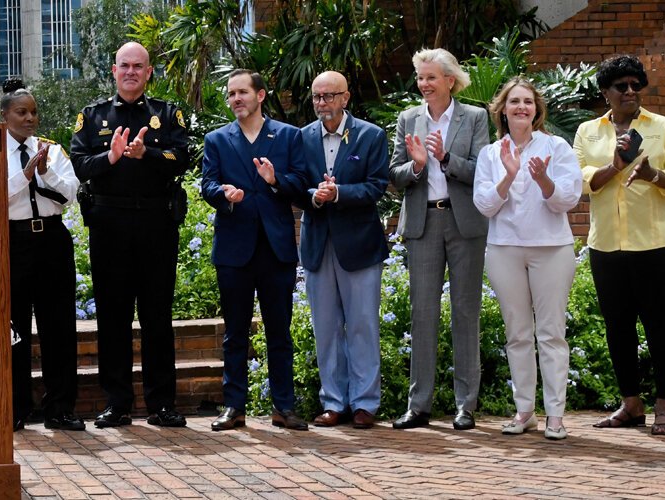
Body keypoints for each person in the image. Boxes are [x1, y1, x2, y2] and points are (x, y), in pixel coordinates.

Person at [69, 41, 191, 428]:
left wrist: (146, 155)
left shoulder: (168, 114)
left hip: (157, 226)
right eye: (125, 66)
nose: (131, 72)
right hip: (110, 226)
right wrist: (112, 156)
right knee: (113, 317)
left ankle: (162, 404)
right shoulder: (92, 116)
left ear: (149, 72)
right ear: (113, 70)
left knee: (157, 316)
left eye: (139, 66)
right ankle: (117, 404)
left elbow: (182, 158)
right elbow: (79, 165)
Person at [573, 55, 665, 436]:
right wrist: (615, 167)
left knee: (658, 322)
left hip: (658, 241)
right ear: (605, 92)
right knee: (617, 325)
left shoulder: (663, 127)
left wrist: (652, 174)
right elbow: (578, 181)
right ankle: (631, 403)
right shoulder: (587, 132)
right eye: (621, 86)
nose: (630, 91)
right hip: (607, 243)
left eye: (635, 84)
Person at [387, 48, 492, 431]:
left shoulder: (475, 117)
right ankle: (419, 406)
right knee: (423, 316)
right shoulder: (407, 118)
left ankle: (466, 406)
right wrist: (415, 166)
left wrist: (446, 159)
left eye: (431, 77)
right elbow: (394, 174)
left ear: (450, 80)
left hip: (464, 224)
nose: (424, 85)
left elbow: (483, 169)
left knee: (466, 315)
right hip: (423, 223)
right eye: (420, 78)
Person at [200, 69, 310, 432]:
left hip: (276, 249)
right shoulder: (217, 139)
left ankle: (284, 407)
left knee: (279, 332)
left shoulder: (289, 136)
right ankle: (234, 407)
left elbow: (301, 186)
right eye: (231, 94)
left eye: (242, 92)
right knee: (235, 333)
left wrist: (275, 180)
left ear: (260, 95)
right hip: (234, 249)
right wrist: (224, 195)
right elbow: (208, 185)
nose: (236, 99)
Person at [473, 77, 583, 441]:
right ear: (502, 109)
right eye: (514, 101)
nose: (522, 107)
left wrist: (543, 180)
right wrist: (509, 174)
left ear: (537, 110)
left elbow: (567, 199)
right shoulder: (491, 153)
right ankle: (525, 412)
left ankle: (555, 416)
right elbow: (485, 205)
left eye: (528, 102)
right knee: (517, 334)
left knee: (551, 333)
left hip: (551, 248)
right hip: (504, 248)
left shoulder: (556, 146)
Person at [295, 71, 390, 430]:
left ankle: (365, 403)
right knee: (326, 327)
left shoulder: (370, 135)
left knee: (363, 324)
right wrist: (313, 196)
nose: (323, 103)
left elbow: (377, 185)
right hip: (319, 244)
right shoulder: (301, 138)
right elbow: (295, 185)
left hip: (359, 245)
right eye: (318, 97)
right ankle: (334, 401)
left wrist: (340, 193)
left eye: (330, 96)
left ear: (346, 98)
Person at [0, 79, 84, 432]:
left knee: (59, 327)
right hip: (12, 241)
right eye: (22, 112)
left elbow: (71, 193)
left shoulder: (52, 150)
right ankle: (17, 407)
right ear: (5, 116)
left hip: (51, 239)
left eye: (34, 112)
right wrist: (25, 175)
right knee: (14, 327)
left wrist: (46, 172)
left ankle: (60, 407)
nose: (30, 118)